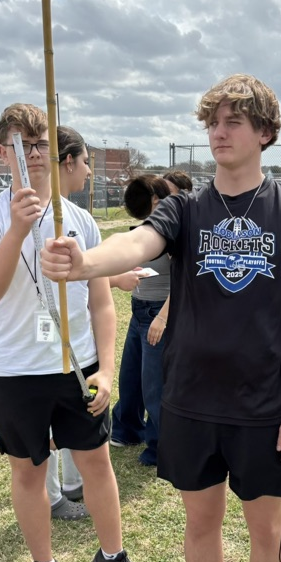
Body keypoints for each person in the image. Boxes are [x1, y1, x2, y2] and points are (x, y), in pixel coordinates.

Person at [41, 74, 281, 562]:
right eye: (212, 122)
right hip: (190, 401)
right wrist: (85, 262)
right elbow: (137, 242)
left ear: (265, 133)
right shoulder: (186, 208)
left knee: (266, 530)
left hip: (264, 407)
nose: (218, 132)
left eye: (233, 121)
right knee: (200, 524)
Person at [0, 105, 153, 562]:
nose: (32, 155)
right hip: (13, 372)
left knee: (97, 461)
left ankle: (112, 556)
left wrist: (108, 369)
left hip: (77, 366)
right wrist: (14, 231)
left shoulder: (81, 220)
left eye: (40, 144)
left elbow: (100, 302)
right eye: (20, 146)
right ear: (2, 151)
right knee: (29, 469)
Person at [109, 175, 172, 467]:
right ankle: (126, 430)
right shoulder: (144, 228)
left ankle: (161, 447)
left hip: (158, 313)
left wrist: (162, 317)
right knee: (130, 376)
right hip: (139, 309)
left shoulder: (171, 230)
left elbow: (186, 280)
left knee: (154, 386)